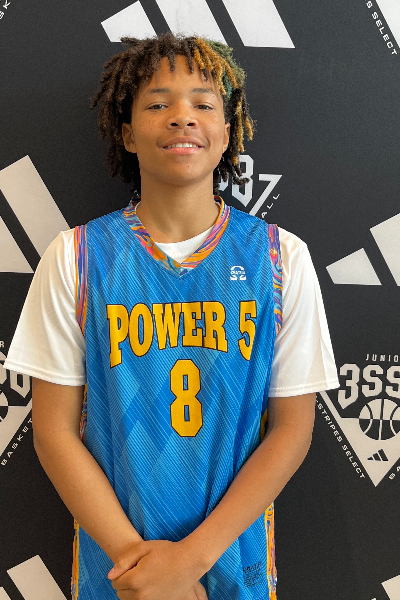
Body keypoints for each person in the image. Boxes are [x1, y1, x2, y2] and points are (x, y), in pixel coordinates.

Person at [4, 33, 339, 600]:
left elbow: (292, 429)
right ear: (127, 133)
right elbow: (54, 433)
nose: (182, 117)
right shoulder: (77, 257)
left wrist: (188, 563)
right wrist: (142, 566)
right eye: (158, 104)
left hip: (233, 563)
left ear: (227, 132)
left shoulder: (280, 258)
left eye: (203, 104)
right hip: (120, 573)